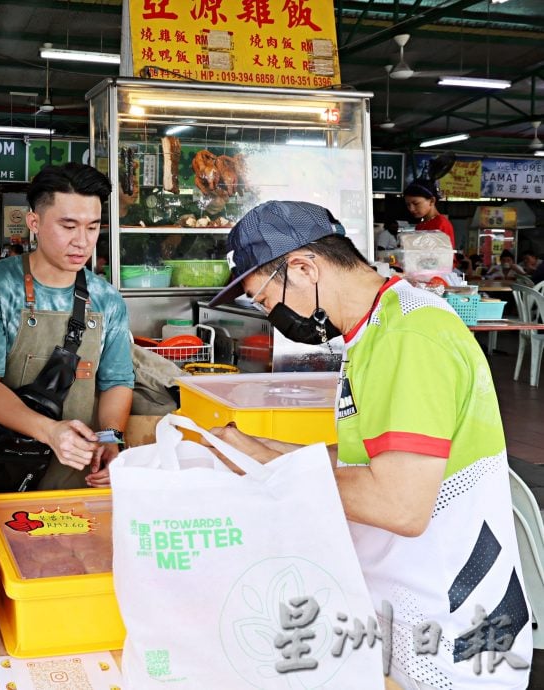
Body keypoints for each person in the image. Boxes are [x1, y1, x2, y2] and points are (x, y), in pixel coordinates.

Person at [207, 200, 531, 690]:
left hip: (453, 634)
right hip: (412, 609)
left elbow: (398, 503)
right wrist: (259, 449)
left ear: (302, 266)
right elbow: (367, 463)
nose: (269, 314)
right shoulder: (377, 329)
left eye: (263, 298)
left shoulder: (411, 335)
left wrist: (278, 472)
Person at [0, 163, 134, 489]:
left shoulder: (107, 300)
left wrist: (110, 437)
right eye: (68, 226)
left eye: (92, 228)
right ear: (34, 222)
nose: (82, 242)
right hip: (1, 467)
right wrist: (50, 431)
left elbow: (116, 381)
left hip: (77, 471)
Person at [404, 177, 455, 249]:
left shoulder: (441, 223)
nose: (411, 209)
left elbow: (442, 256)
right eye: (408, 205)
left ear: (432, 201)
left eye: (416, 203)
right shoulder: (420, 226)